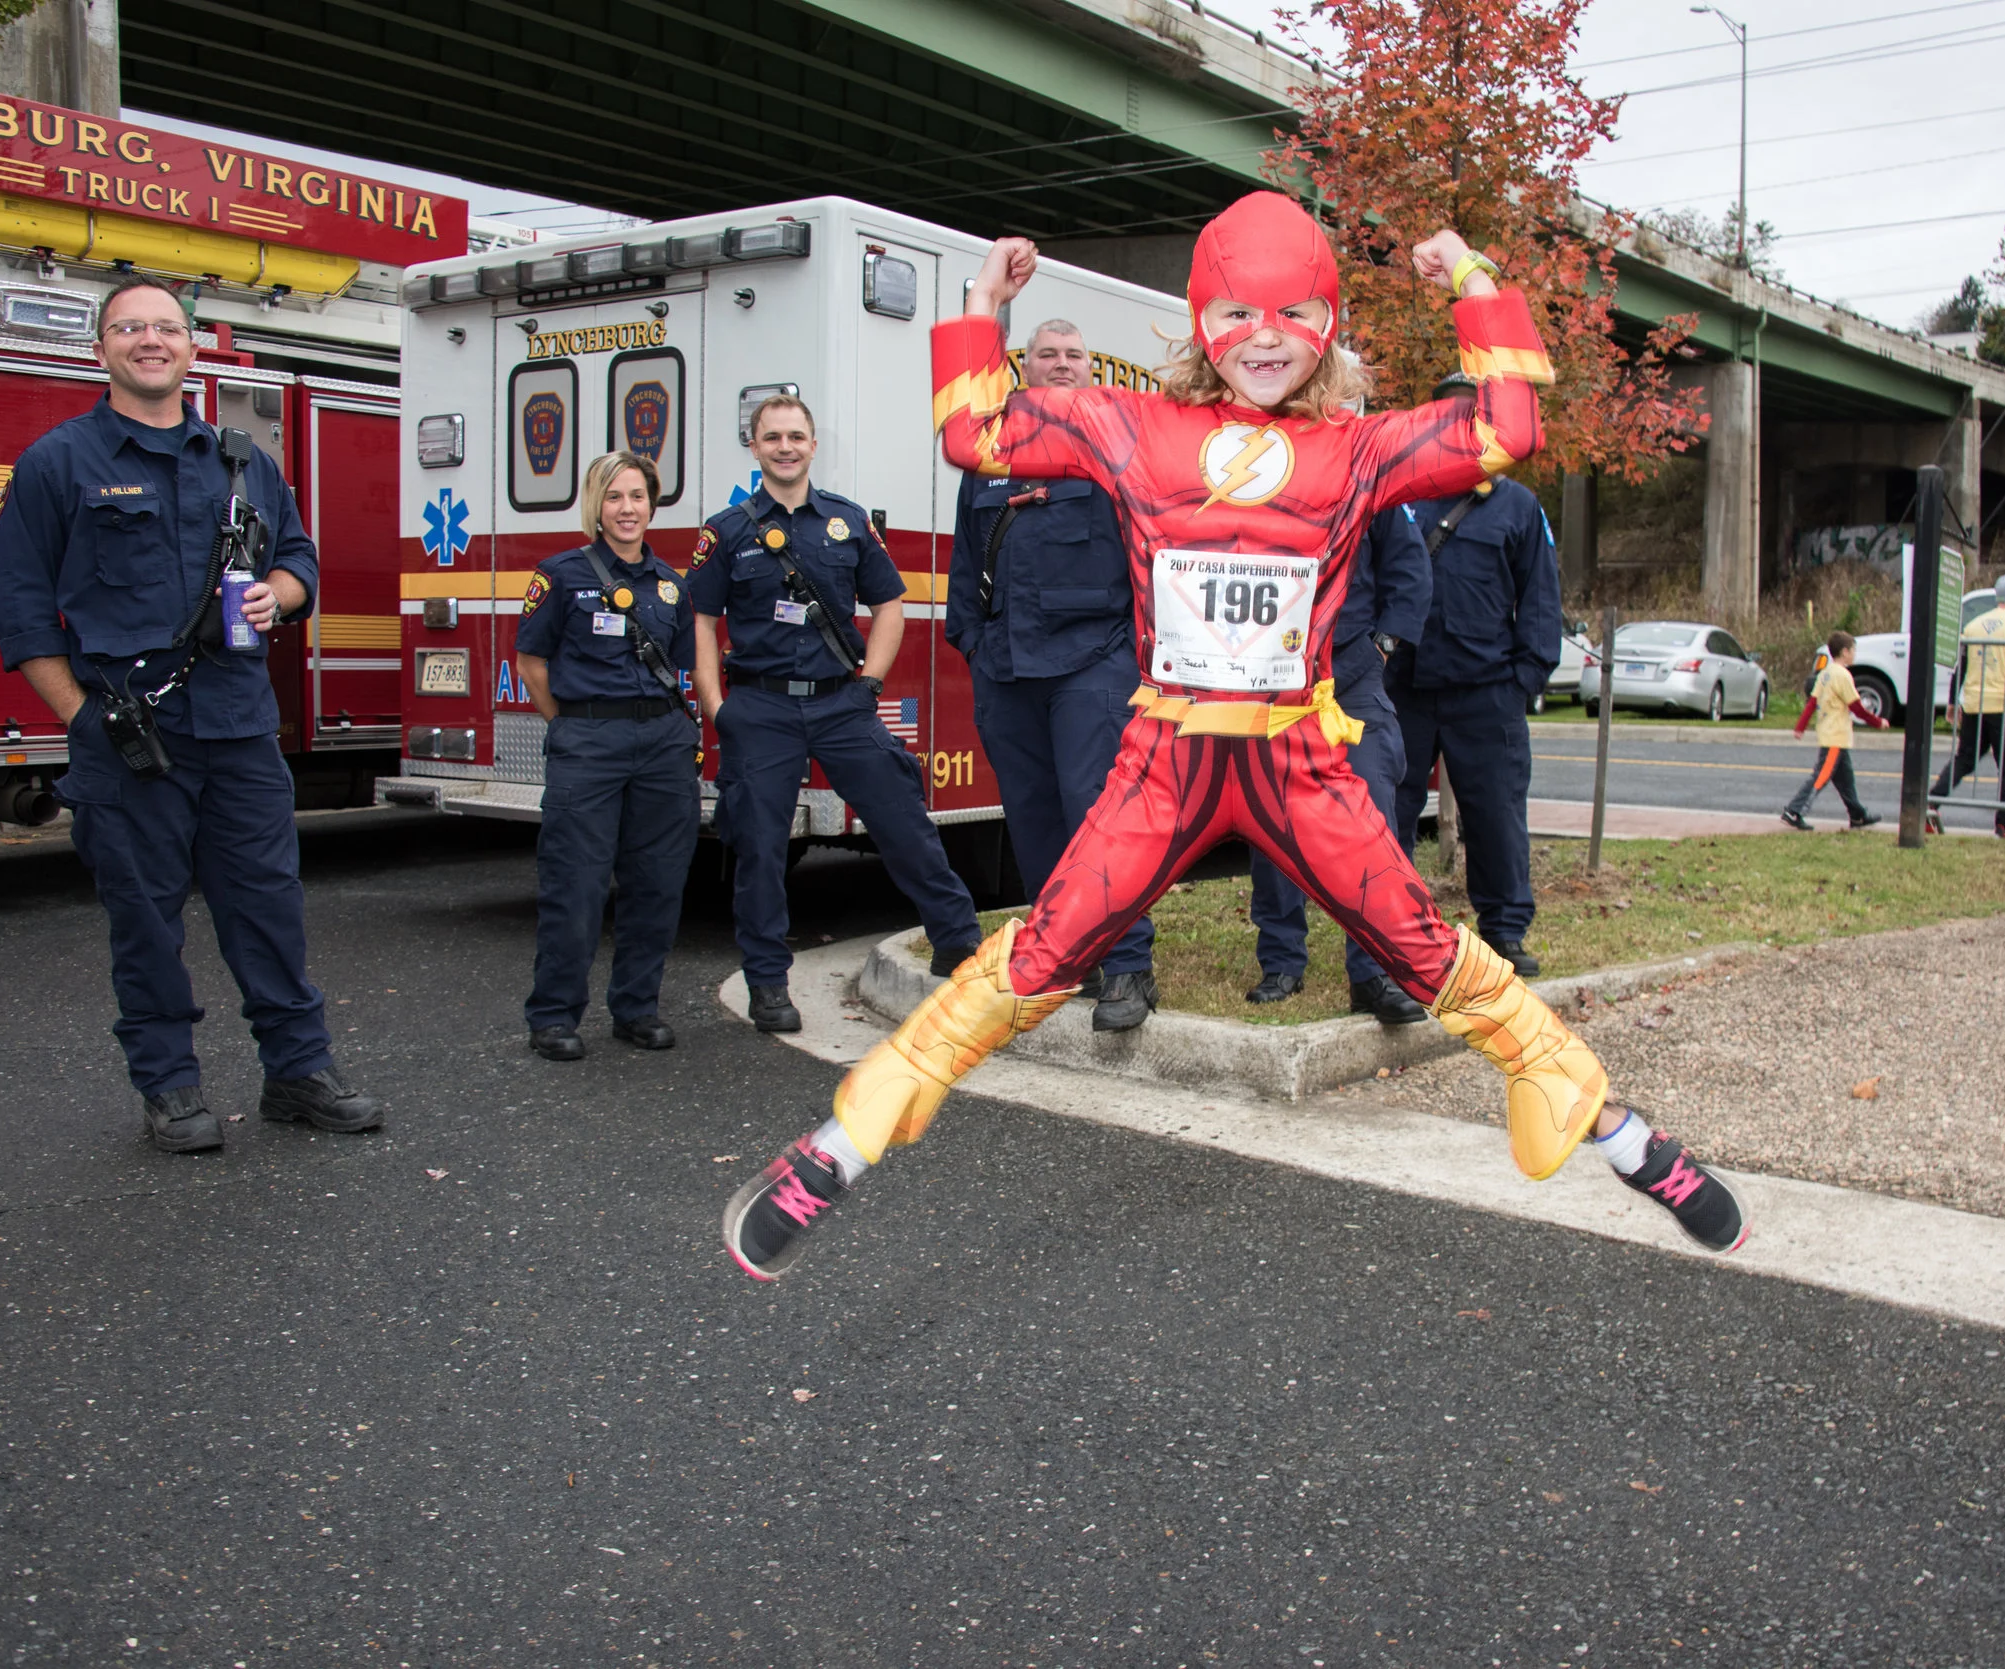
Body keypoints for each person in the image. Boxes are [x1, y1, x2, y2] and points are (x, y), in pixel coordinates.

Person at [721, 191, 1749, 1280]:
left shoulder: (1357, 451)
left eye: (1297, 312)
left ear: (1330, 323)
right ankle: (848, 1137)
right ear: (1201, 317)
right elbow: (975, 434)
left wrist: (1474, 279)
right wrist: (980, 304)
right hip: (1165, 757)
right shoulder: (1128, 426)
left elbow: (1507, 426)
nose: (1266, 337)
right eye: (1240, 313)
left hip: (1299, 758)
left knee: (1415, 940)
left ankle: (1610, 1129)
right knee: (1048, 945)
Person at [0, 276, 380, 1153]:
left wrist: (280, 591)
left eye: (167, 327)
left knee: (268, 907)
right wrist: (82, 717)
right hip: (130, 738)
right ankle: (170, 1086)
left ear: (194, 348)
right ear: (102, 349)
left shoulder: (243, 461)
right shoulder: (57, 463)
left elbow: (302, 557)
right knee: (146, 919)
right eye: (130, 328)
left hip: (239, 728)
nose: (151, 340)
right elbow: (15, 605)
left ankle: (298, 1070)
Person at [691, 394, 982, 1031]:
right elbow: (703, 622)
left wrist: (868, 685)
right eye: (773, 437)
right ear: (755, 447)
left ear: (814, 445)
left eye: (797, 435)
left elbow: (890, 608)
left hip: (840, 704)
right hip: (761, 706)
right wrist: (718, 709)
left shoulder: (846, 523)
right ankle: (767, 982)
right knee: (760, 848)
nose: (786, 446)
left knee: (902, 819)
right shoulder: (727, 530)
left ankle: (958, 943)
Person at [947, 319, 1156, 1032]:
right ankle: (1065, 960)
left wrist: (1135, 654)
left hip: (1093, 664)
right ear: (1024, 368)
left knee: (1099, 813)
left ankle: (1128, 964)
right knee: (1033, 820)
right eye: (1049, 355)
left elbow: (1150, 556)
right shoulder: (990, 452)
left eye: (1075, 354)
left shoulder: (1117, 450)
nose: (1062, 364)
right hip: (1007, 667)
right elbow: (964, 562)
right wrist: (973, 645)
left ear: (1088, 370)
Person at [512, 451, 701, 1060]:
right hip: (589, 743)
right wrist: (569, 727)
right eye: (615, 497)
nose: (628, 509)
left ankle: (636, 1009)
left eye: (638, 497)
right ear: (597, 506)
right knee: (577, 883)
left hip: (662, 744)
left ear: (653, 503)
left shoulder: (672, 586)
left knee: (657, 883)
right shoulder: (560, 575)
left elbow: (680, 666)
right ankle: (553, 1016)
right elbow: (532, 664)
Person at [1387, 374, 1563, 977]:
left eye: (1470, 415)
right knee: (1391, 812)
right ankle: (1398, 931)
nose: (1457, 425)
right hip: (1402, 690)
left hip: (1488, 692)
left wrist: (1524, 681)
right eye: (1446, 416)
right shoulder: (1398, 495)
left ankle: (1504, 932)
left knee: (1496, 816)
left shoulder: (1517, 505)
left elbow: (1541, 602)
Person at [1244, 501, 1432, 1023]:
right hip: (1272, 675)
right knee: (1272, 818)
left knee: (1371, 817)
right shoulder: (1262, 472)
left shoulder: (1365, 473)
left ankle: (1375, 972)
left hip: (1352, 671)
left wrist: (1383, 647)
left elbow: (1409, 572)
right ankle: (1281, 961)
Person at [1928, 572, 2005, 838]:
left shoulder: (1974, 625)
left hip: (1974, 705)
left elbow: (1962, 666)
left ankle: (1929, 806)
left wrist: (1953, 701)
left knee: (1964, 760)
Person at [1779, 631, 1887, 831]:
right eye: (1853, 650)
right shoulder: (1843, 676)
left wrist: (1800, 726)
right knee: (1821, 776)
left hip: (1832, 734)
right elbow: (1856, 708)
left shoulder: (1826, 673)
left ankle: (1857, 816)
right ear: (1845, 652)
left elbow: (1812, 702)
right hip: (1835, 737)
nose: (1854, 654)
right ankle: (1794, 811)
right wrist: (1877, 722)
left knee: (1846, 779)